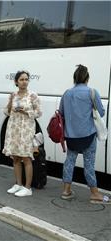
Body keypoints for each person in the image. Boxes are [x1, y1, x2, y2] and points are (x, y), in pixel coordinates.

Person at [59, 65, 110, 204]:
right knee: (89, 163)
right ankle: (94, 193)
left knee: (69, 161)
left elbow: (61, 113)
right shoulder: (92, 92)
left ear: (74, 78)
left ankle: (66, 191)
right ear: (87, 78)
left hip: (71, 136)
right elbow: (101, 112)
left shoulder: (67, 93)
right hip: (88, 135)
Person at [3, 71, 42, 197]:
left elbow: (39, 113)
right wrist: (10, 105)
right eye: (21, 79)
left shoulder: (33, 95)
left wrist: (26, 111)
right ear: (16, 82)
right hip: (13, 128)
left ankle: (28, 187)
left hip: (26, 129)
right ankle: (18, 184)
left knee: (26, 157)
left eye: (26, 79)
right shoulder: (13, 95)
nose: (24, 82)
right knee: (15, 157)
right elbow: (6, 112)